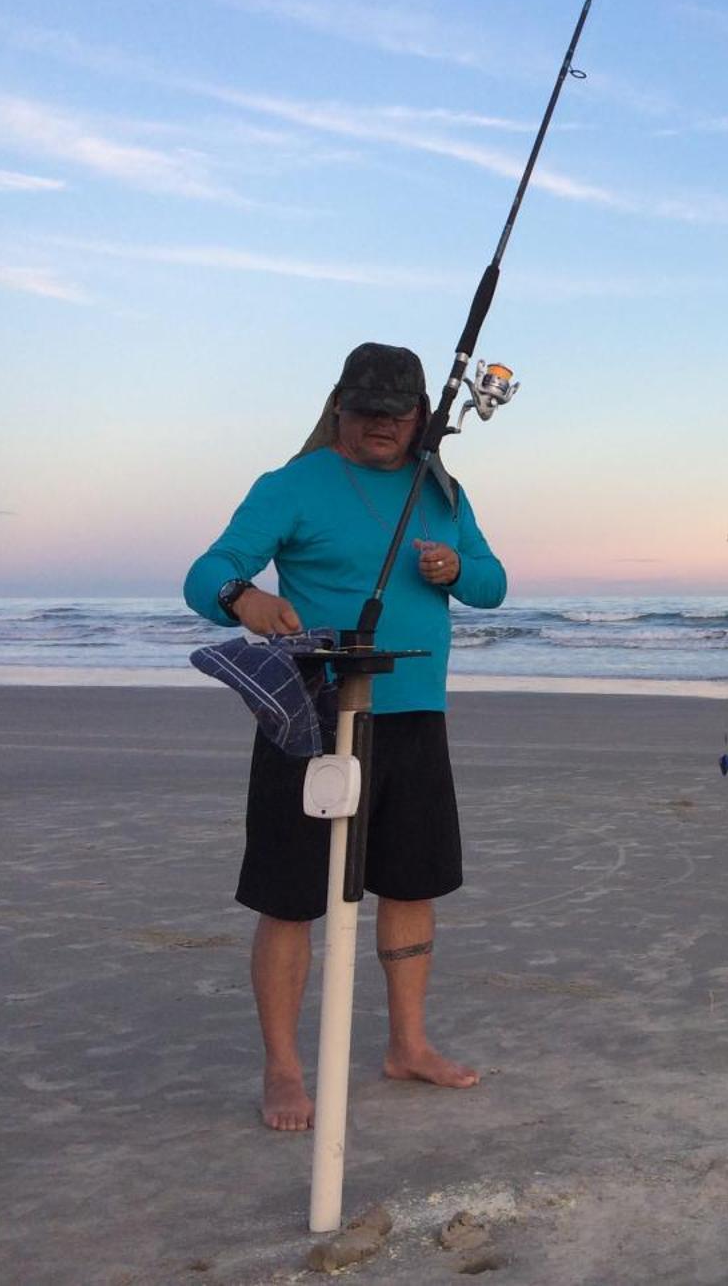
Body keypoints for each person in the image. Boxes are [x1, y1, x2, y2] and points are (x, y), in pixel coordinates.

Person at [184, 342, 507, 1131]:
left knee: (411, 884)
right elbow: (207, 571)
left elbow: (493, 585)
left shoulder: (442, 490)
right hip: (312, 719)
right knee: (289, 897)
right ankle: (284, 1070)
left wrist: (454, 569)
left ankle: (407, 1045)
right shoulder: (293, 484)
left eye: (397, 415)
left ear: (421, 416)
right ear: (338, 407)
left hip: (414, 717)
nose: (380, 428)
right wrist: (243, 598)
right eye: (365, 413)